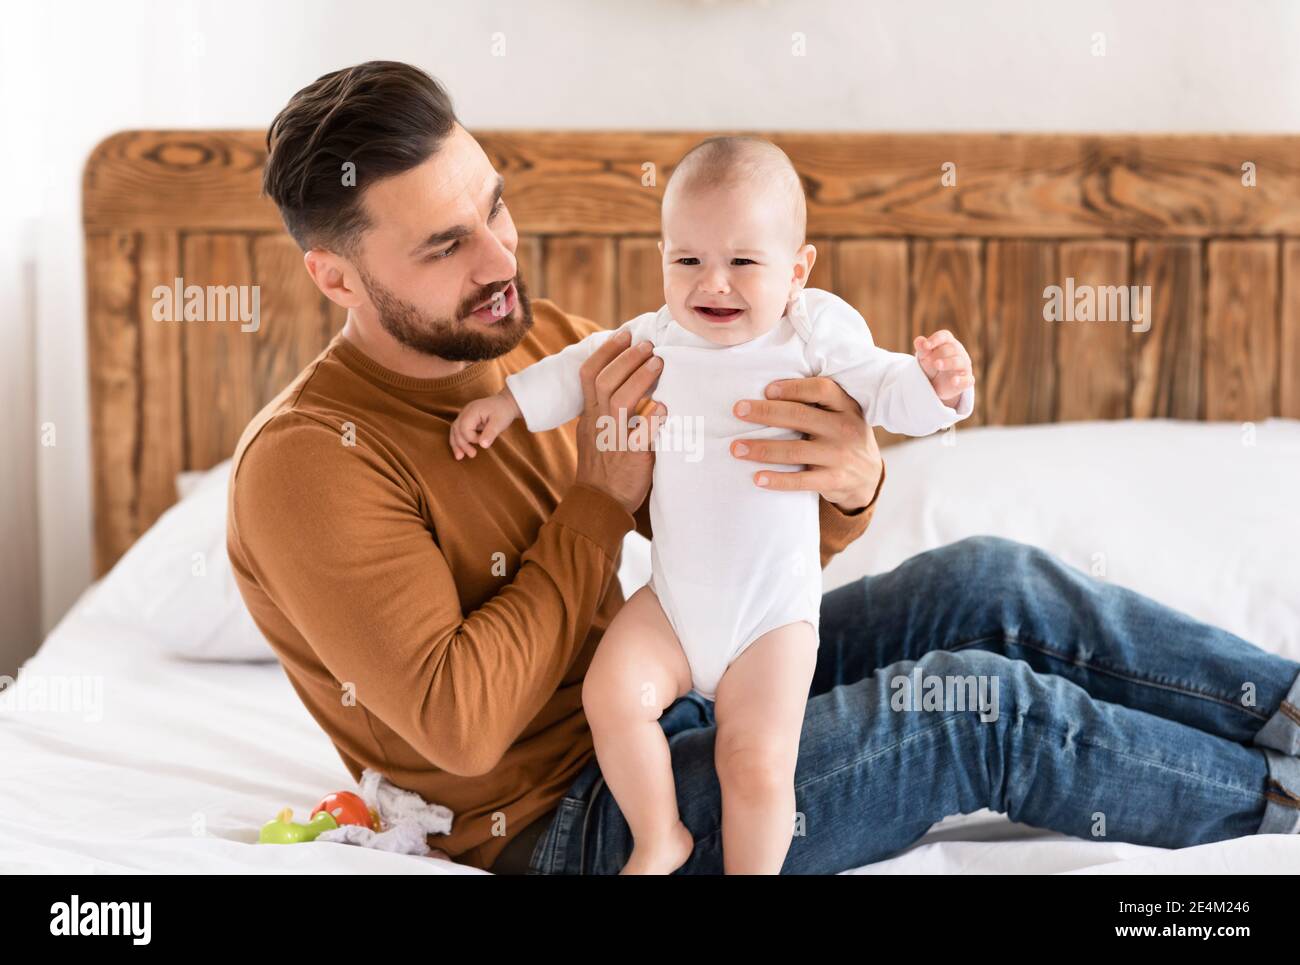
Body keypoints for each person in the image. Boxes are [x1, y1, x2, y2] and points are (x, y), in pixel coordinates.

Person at [227, 60, 1300, 875]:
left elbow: (724, 514)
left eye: (494, 207)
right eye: (443, 246)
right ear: (335, 275)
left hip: (696, 675)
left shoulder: (540, 335)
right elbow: (459, 726)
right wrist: (597, 501)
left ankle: (1290, 711)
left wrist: (847, 480)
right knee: (973, 708)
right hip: (570, 817)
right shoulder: (310, 465)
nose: (502, 261)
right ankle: (1275, 804)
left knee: (993, 581)